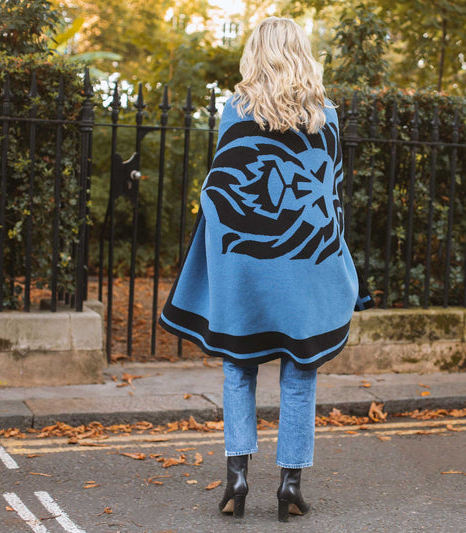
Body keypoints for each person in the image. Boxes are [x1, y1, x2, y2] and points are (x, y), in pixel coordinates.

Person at [159, 17, 373, 522]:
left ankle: (236, 476)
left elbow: (223, 193)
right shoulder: (327, 116)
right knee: (299, 371)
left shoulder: (234, 110)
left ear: (255, 54)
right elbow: (333, 203)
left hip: (248, 265)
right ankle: (290, 484)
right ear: (301, 53)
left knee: (239, 366)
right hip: (303, 262)